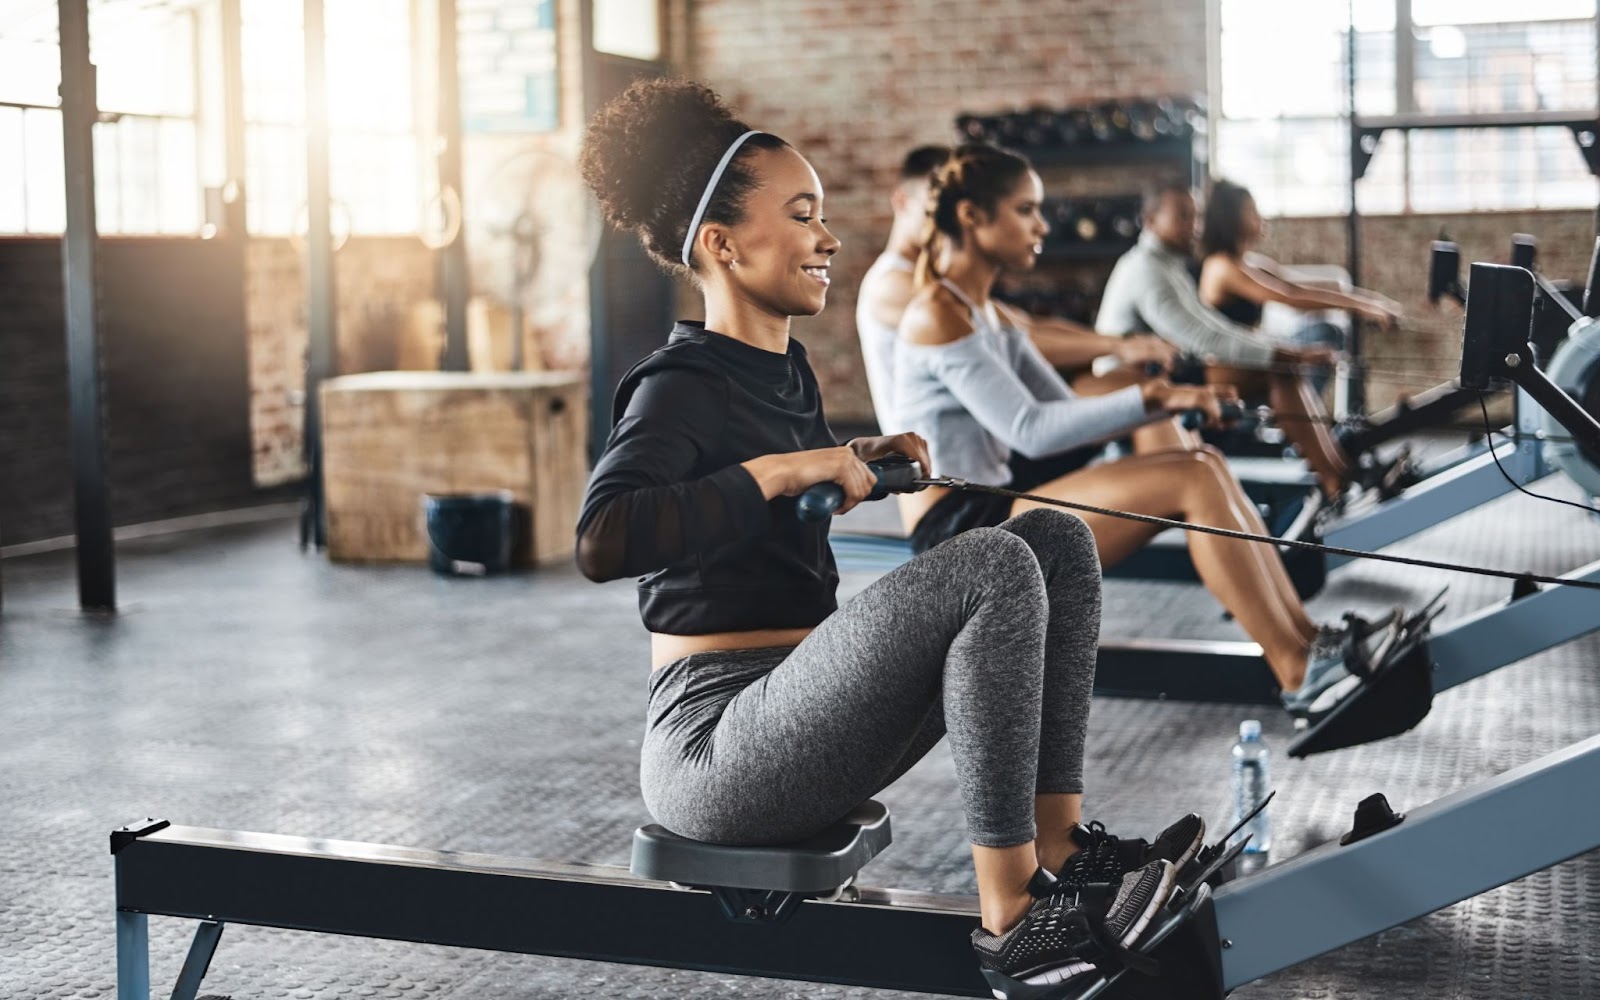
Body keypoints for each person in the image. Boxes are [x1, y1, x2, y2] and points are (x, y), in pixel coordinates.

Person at [574, 78, 1200, 994]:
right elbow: (603, 537)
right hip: (714, 746)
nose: (829, 237)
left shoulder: (782, 373)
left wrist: (852, 459)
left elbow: (752, 518)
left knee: (1054, 541)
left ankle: (1064, 852)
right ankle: (1016, 924)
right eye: (801, 214)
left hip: (796, 702)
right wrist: (795, 470)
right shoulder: (678, 382)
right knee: (989, 561)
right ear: (721, 243)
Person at [894, 143, 1382, 718]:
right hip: (960, 537)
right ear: (974, 218)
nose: (1041, 226)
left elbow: (1059, 407)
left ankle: (1308, 640)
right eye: (1026, 210)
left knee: (1204, 465)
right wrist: (1151, 395)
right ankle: (1297, 671)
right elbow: (1032, 429)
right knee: (1193, 479)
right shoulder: (937, 312)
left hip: (995, 506)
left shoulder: (986, 311)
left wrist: (1175, 398)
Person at [859, 145, 1177, 435]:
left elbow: (1025, 326)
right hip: (942, 457)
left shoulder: (953, 289)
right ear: (903, 201)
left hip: (988, 427)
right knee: (1137, 399)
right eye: (935, 202)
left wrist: (1124, 344)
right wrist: (1117, 348)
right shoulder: (892, 285)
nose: (942, 213)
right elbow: (1020, 349)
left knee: (1134, 392)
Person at [1096, 180, 1355, 499]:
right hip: (1131, 387)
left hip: (1165, 373)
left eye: (1196, 217)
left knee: (1282, 370)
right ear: (1150, 220)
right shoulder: (1145, 270)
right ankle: (1334, 480)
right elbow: (1201, 337)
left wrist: (1284, 353)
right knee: (1279, 369)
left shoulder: (1168, 264)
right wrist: (1286, 354)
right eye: (1182, 216)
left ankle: (1338, 473)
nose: (1193, 227)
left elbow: (1212, 324)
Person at [1198, 178, 1402, 393]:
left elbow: (1305, 284)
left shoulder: (1249, 262)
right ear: (1231, 219)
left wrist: (1376, 303)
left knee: (1325, 337)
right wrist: (1362, 308)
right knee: (1324, 334)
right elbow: (1290, 295)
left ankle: (1303, 407)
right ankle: (1302, 408)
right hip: (1229, 363)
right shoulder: (1221, 266)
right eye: (1251, 210)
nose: (1260, 217)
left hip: (1251, 354)